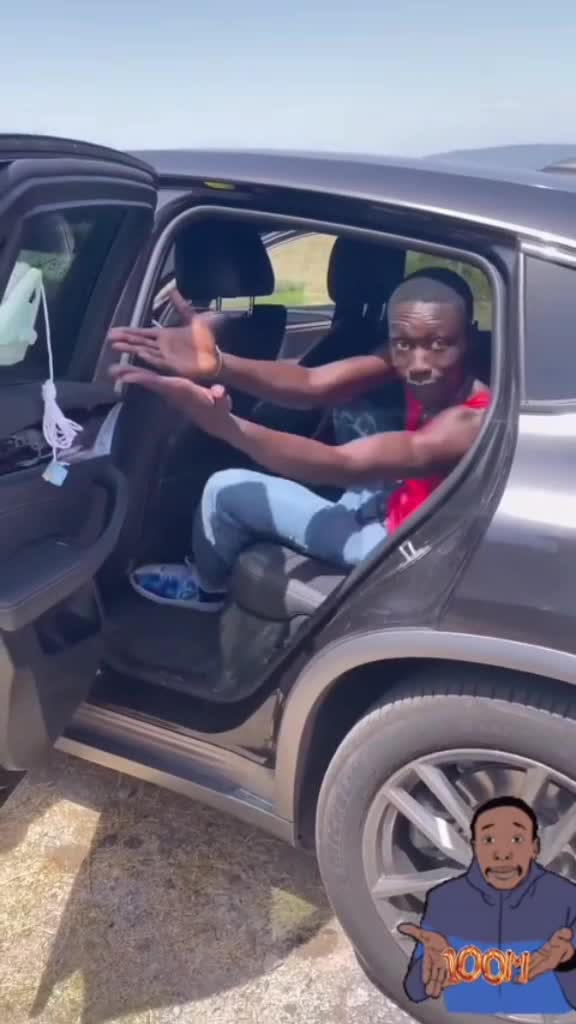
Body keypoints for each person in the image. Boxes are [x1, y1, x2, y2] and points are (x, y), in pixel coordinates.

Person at [108, 269, 490, 611]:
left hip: (392, 541)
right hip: (394, 497)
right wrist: (220, 364)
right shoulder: (411, 355)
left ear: (470, 337)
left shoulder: (469, 421)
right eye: (403, 344)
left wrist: (226, 426)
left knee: (224, 491)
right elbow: (312, 384)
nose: (419, 365)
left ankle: (207, 588)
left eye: (439, 345)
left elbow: (342, 465)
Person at [399, 796, 576, 1014]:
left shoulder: (566, 899)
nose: (502, 854)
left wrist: (567, 962)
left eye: (516, 839)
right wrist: (429, 963)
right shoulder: (445, 899)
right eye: (489, 840)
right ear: (475, 847)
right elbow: (414, 992)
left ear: (534, 847)